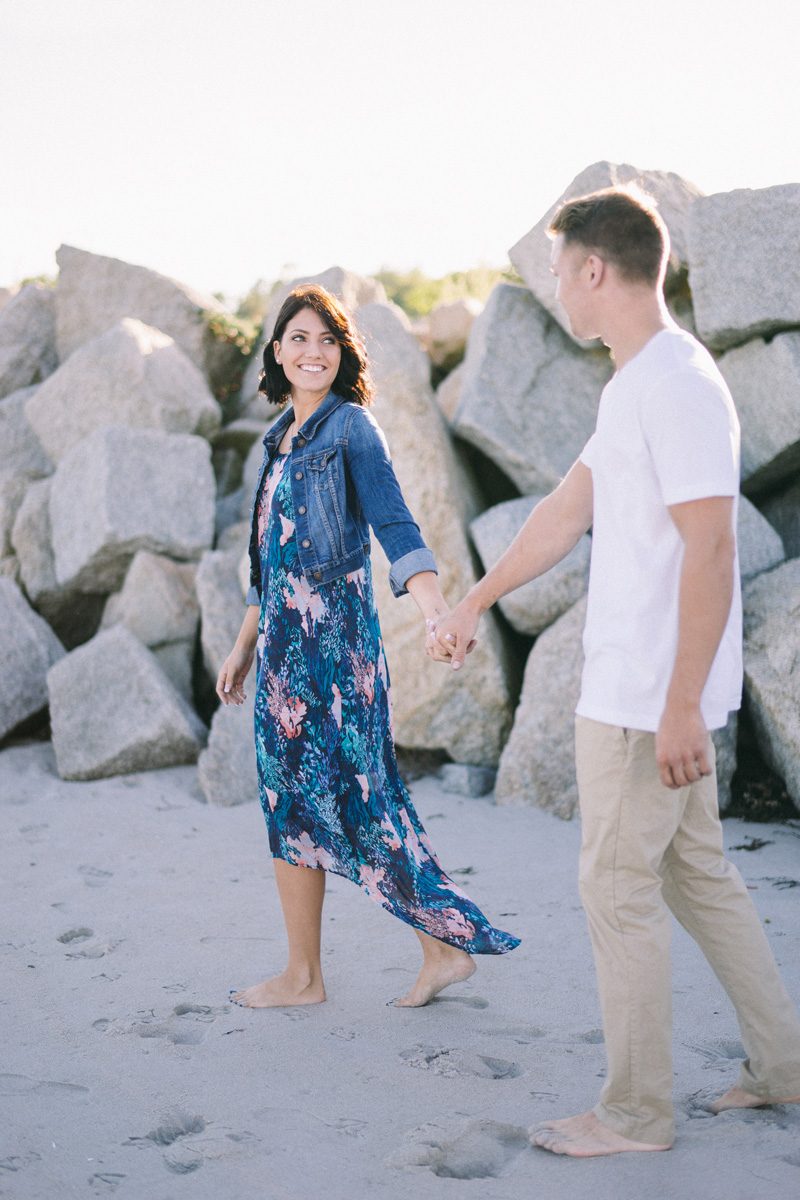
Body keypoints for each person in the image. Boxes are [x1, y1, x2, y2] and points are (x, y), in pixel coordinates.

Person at [431, 188, 800, 1155]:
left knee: (615, 886)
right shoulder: (636, 382)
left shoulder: (676, 382)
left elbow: (714, 550)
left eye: (559, 269)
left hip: (648, 699)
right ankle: (785, 1064)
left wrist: (681, 705)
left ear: (596, 268)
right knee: (698, 876)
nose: (555, 287)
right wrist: (474, 602)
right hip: (651, 691)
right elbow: (564, 510)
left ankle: (636, 1114)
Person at [216, 284, 519, 1011]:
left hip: (337, 656)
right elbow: (269, 561)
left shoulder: (353, 429)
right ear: (277, 352)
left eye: (326, 339)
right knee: (289, 805)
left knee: (365, 800)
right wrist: (243, 644)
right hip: (283, 660)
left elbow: (396, 527)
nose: (312, 351)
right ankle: (305, 976)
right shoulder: (279, 440)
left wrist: (437, 611)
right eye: (298, 338)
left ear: (342, 353)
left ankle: (444, 944)